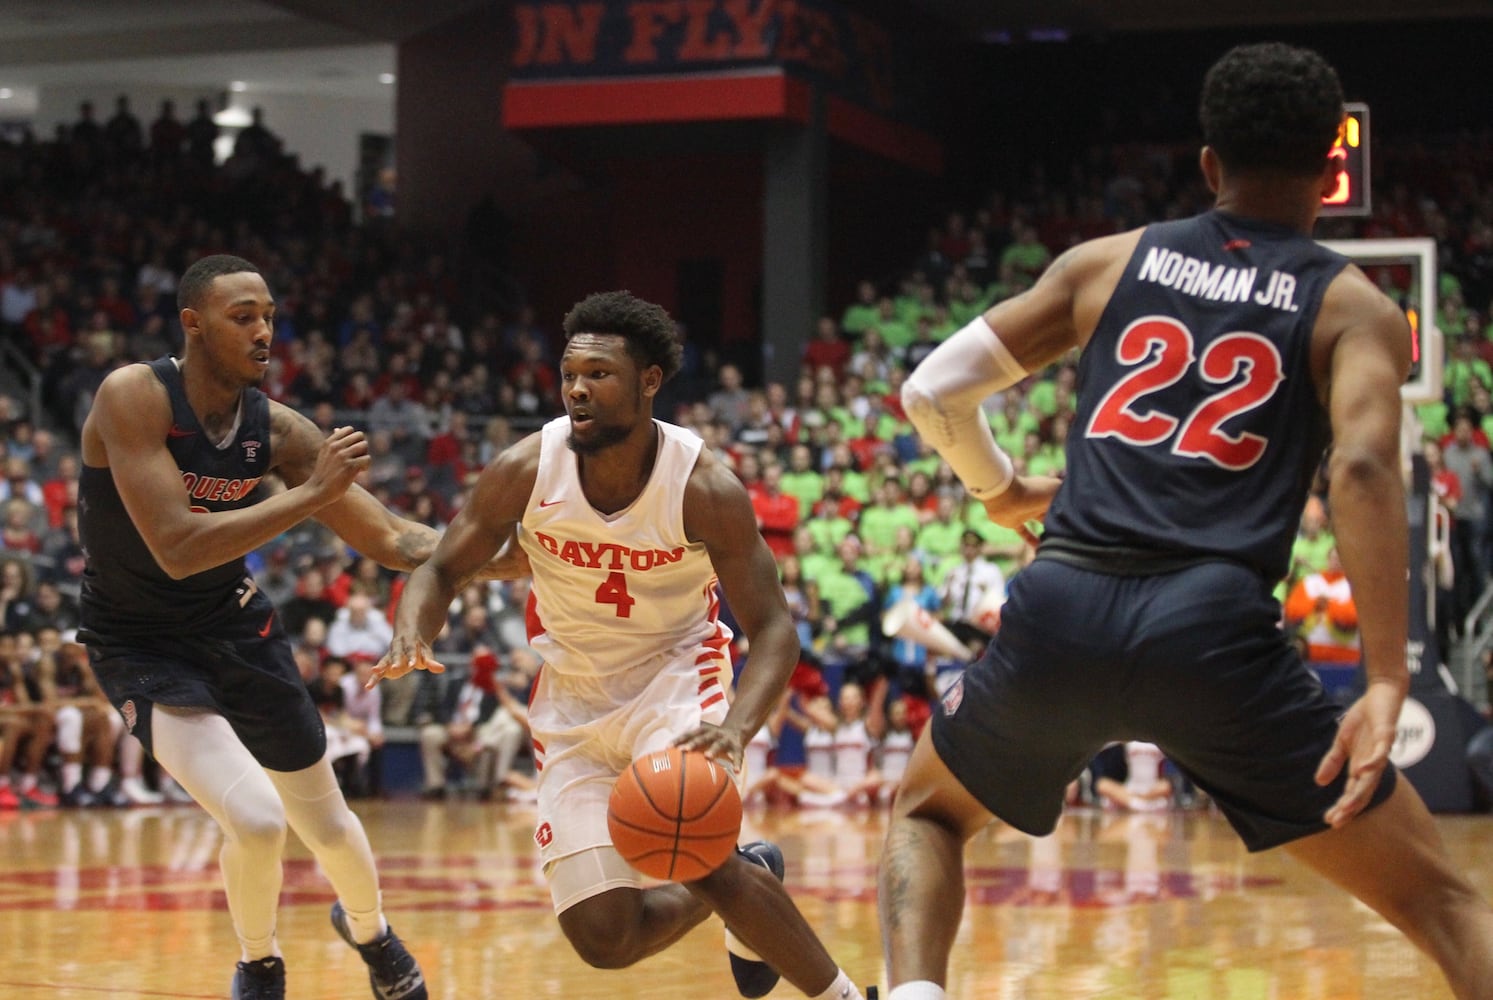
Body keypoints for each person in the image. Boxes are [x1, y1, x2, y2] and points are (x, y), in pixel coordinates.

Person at [876, 43, 1493, 1000]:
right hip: (1212, 635)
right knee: (1446, 908)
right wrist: (1383, 676)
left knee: (925, 816)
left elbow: (929, 392)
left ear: (1208, 163)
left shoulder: (1104, 262)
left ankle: (914, 994)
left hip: (1061, 606)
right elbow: (1365, 466)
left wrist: (998, 490)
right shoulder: (1353, 308)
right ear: (1334, 170)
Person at [371, 290, 866, 1000]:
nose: (578, 388)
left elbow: (776, 630)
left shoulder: (703, 485)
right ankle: (747, 872)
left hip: (674, 678)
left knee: (696, 848)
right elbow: (442, 567)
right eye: (570, 374)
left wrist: (734, 729)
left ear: (649, 382)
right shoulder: (524, 468)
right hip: (570, 696)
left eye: (599, 374)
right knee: (606, 938)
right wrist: (413, 626)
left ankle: (846, 994)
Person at [74, 254, 468, 1000]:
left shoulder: (277, 430)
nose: (264, 331)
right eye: (242, 316)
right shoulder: (133, 395)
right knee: (254, 821)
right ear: (192, 324)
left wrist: (528, 556)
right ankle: (258, 964)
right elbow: (179, 546)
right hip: (138, 640)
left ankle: (371, 932)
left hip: (236, 626)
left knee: (326, 824)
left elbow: (394, 541)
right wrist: (310, 494)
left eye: (269, 316)